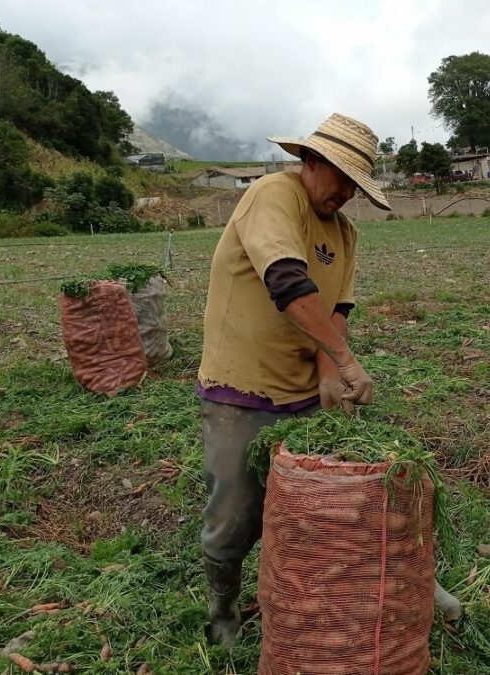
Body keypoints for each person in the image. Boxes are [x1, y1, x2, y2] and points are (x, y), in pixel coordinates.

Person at [196, 113, 388, 647]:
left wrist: (330, 370)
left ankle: (362, 593)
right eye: (341, 177)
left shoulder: (344, 232)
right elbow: (286, 281)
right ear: (309, 161)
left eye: (357, 184)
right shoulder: (272, 195)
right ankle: (223, 611)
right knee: (236, 514)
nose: (347, 193)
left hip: (305, 393)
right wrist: (348, 360)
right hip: (242, 388)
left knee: (327, 506)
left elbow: (337, 307)